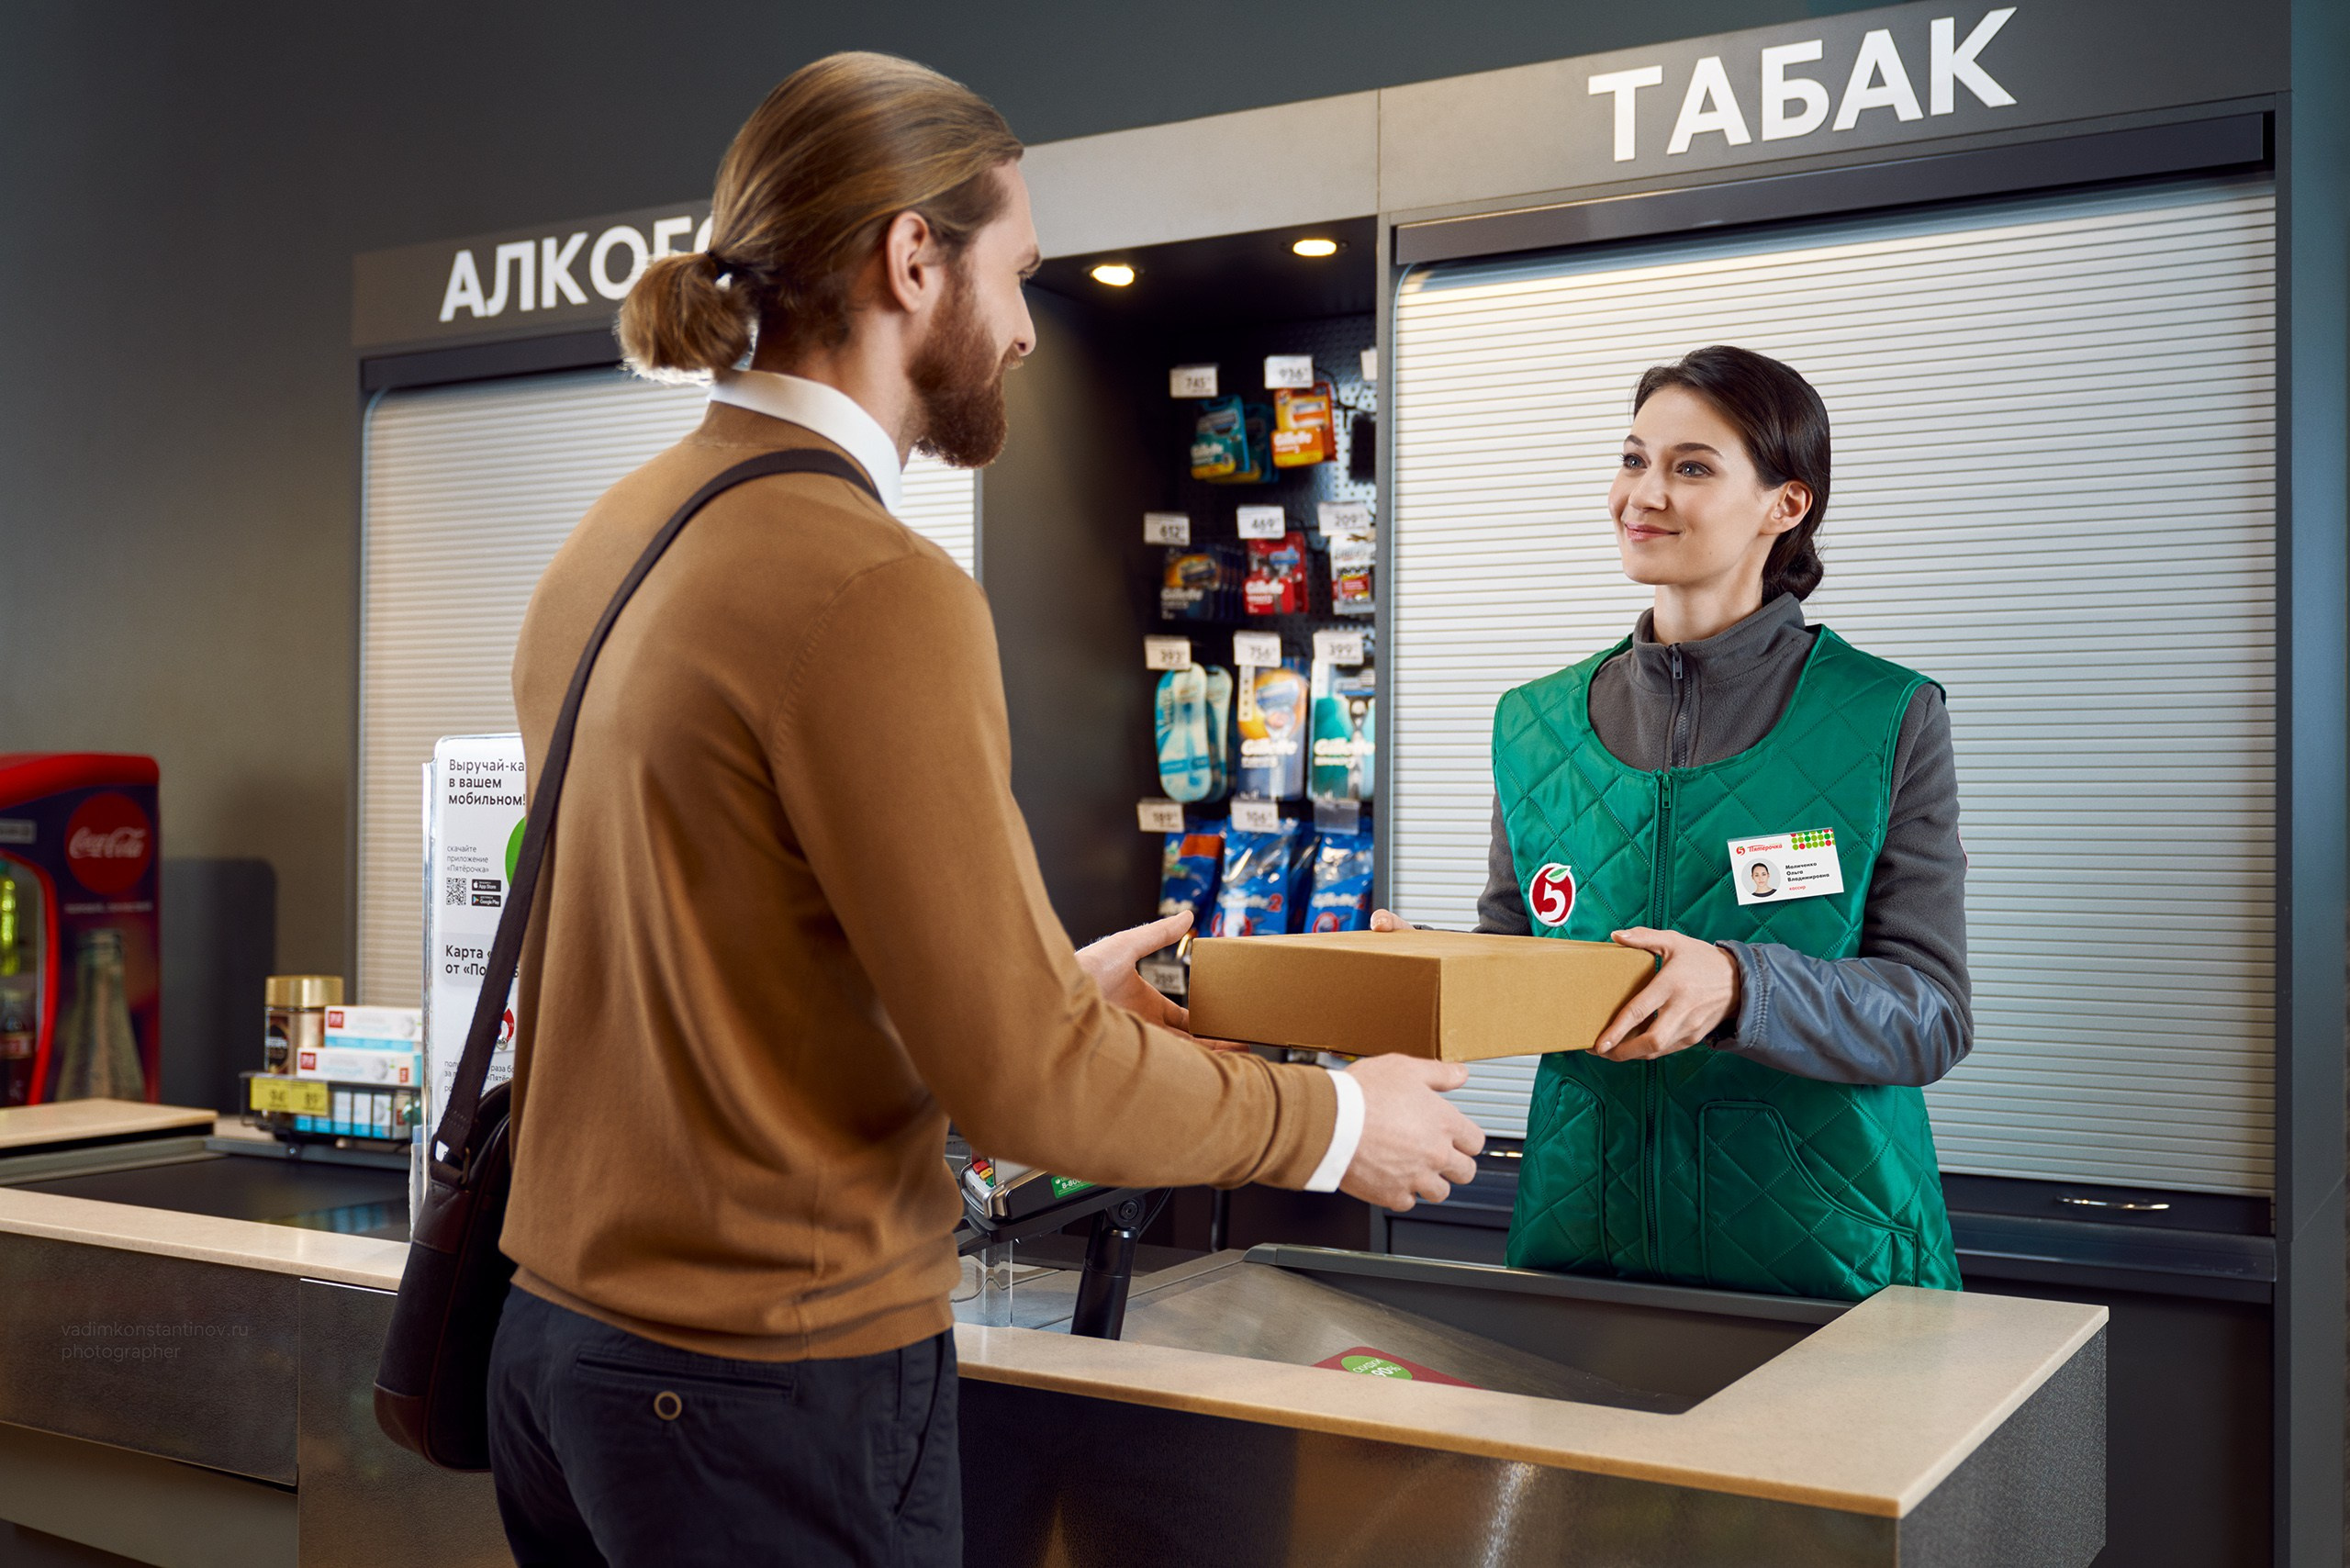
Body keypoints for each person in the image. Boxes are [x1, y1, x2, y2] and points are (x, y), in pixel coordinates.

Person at [486, 52, 1483, 1568]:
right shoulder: (877, 585)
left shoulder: (612, 540)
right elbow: (1031, 1087)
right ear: (910, 257)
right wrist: (1337, 1122)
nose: (1023, 328)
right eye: (1016, 274)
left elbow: (717, 984)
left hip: (561, 1362)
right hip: (768, 1386)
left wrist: (1031, 995)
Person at [1374, 344, 1967, 1303]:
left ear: (1785, 504)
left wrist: (1738, 983)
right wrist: (1426, 975)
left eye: (1690, 466)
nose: (1641, 493)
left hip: (1831, 1264)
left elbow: (1929, 1015)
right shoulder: (1533, 723)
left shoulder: (1885, 714)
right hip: (1582, 1243)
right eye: (1632, 458)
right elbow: (1518, 962)